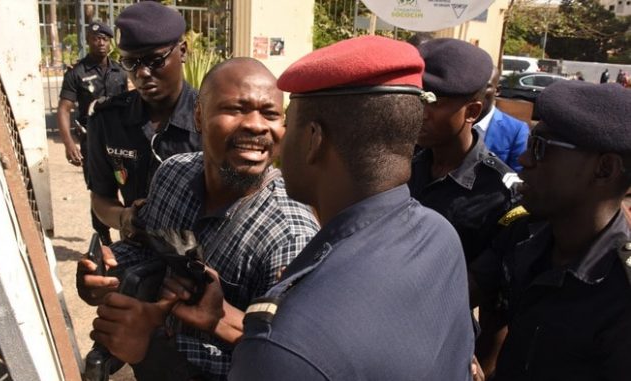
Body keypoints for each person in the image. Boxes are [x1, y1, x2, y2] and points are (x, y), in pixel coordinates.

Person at [165, 36, 476, 380]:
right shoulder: (439, 235)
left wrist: (149, 349)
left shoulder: (282, 349)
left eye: (287, 118)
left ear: (313, 139)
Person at [80, 57, 319, 380]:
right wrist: (108, 272)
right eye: (235, 109)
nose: (256, 125)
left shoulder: (291, 236)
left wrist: (151, 346)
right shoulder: (172, 174)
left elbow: (279, 368)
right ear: (198, 117)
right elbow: (148, 249)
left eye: (270, 113)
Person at [470, 81, 631, 380]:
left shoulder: (621, 291)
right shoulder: (523, 233)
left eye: (540, 147)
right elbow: (460, 291)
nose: (523, 159)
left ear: (605, 169)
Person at [86, 2, 201, 240]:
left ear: (182, 52)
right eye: (131, 63)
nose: (142, 73)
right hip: (136, 256)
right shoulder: (108, 120)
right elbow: (101, 197)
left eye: (155, 60)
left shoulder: (212, 119)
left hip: (201, 261)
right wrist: (124, 218)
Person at [412, 38, 521, 264]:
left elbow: (485, 280)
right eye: (418, 99)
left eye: (434, 103)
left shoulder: (500, 193)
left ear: (471, 111)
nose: (421, 113)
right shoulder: (403, 168)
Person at [57, 20, 127, 245]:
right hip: (93, 141)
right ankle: (103, 237)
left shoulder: (120, 71)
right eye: (96, 39)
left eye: (105, 39)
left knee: (126, 182)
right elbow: (64, 109)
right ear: (88, 41)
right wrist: (69, 144)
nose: (101, 43)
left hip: (120, 140)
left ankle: (128, 231)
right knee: (100, 188)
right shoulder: (76, 73)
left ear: (110, 42)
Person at [475, 66, 530, 172]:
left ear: (497, 90)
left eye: (486, 86)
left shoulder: (516, 130)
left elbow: (517, 177)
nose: (478, 92)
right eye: (474, 85)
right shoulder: (455, 120)